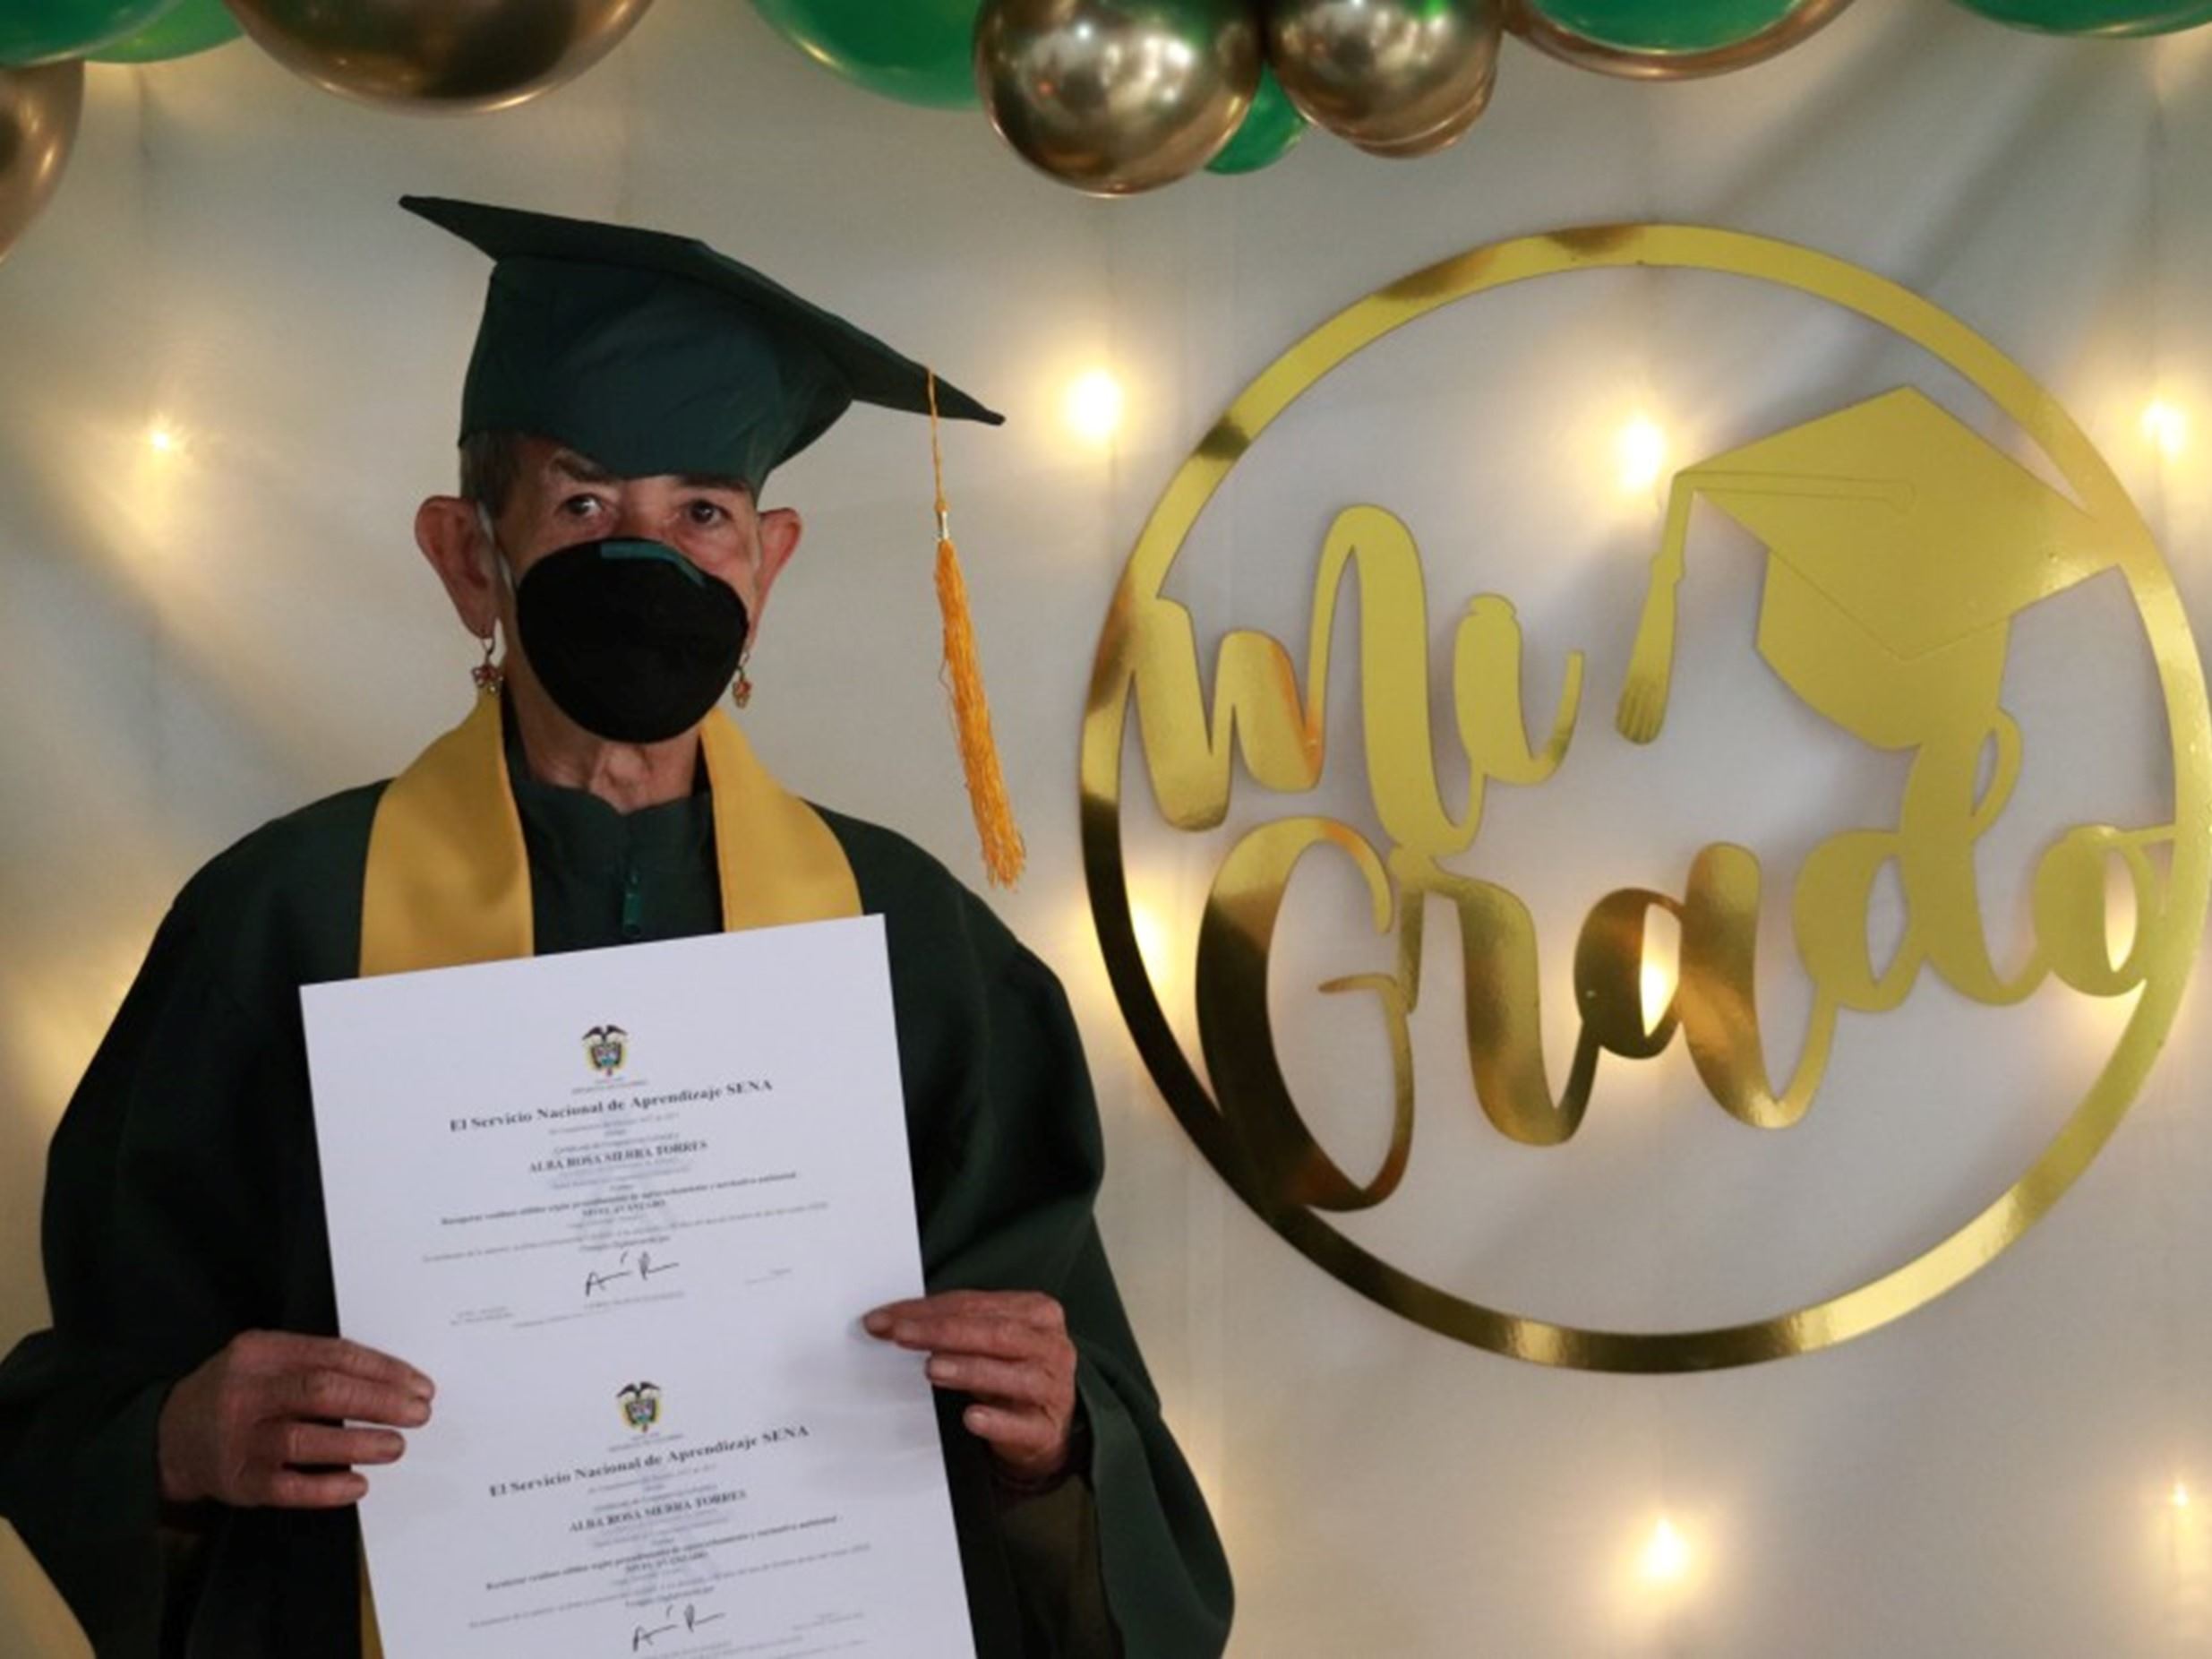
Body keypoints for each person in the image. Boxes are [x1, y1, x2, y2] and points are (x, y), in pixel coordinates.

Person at [0, 197, 1232, 1658]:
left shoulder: (906, 935)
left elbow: (1072, 1398)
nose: (648, 559)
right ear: (469, 558)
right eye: (584, 508)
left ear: (766, 564)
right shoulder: (283, 917)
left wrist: (1052, 1439)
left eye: (701, 514)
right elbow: (96, 1389)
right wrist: (178, 1440)